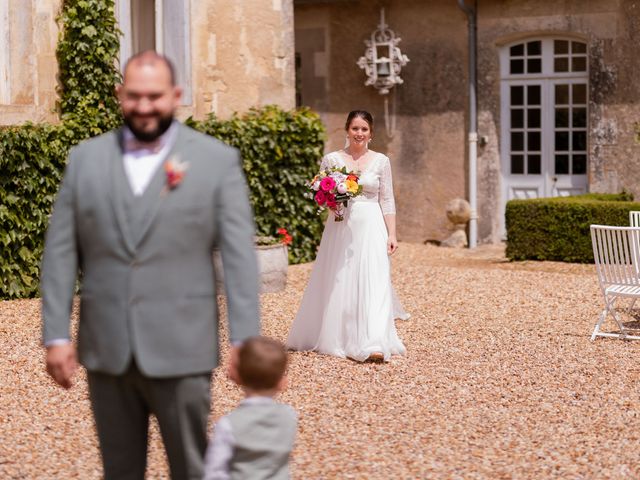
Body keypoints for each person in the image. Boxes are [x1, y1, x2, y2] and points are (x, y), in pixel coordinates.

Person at [40, 51, 260, 480]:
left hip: (184, 344)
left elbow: (238, 257)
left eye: (155, 96)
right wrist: (55, 334)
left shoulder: (216, 160)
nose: (144, 107)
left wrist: (244, 338)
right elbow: (62, 250)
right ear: (120, 95)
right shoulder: (84, 159)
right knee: (118, 470)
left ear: (176, 95)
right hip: (107, 347)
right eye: (134, 96)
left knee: (191, 467)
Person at [287, 110, 408, 362]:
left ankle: (374, 341)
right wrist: (330, 202)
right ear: (347, 130)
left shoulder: (381, 161)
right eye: (355, 128)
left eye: (364, 129)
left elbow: (387, 199)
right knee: (340, 278)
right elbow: (319, 192)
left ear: (371, 133)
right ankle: (339, 336)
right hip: (341, 226)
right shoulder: (332, 159)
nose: (359, 133)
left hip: (372, 226)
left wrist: (392, 233)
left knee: (374, 278)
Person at [203, 336, 297, 480]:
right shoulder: (290, 417)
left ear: (238, 377)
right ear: (282, 383)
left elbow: (215, 470)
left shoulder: (229, 424)